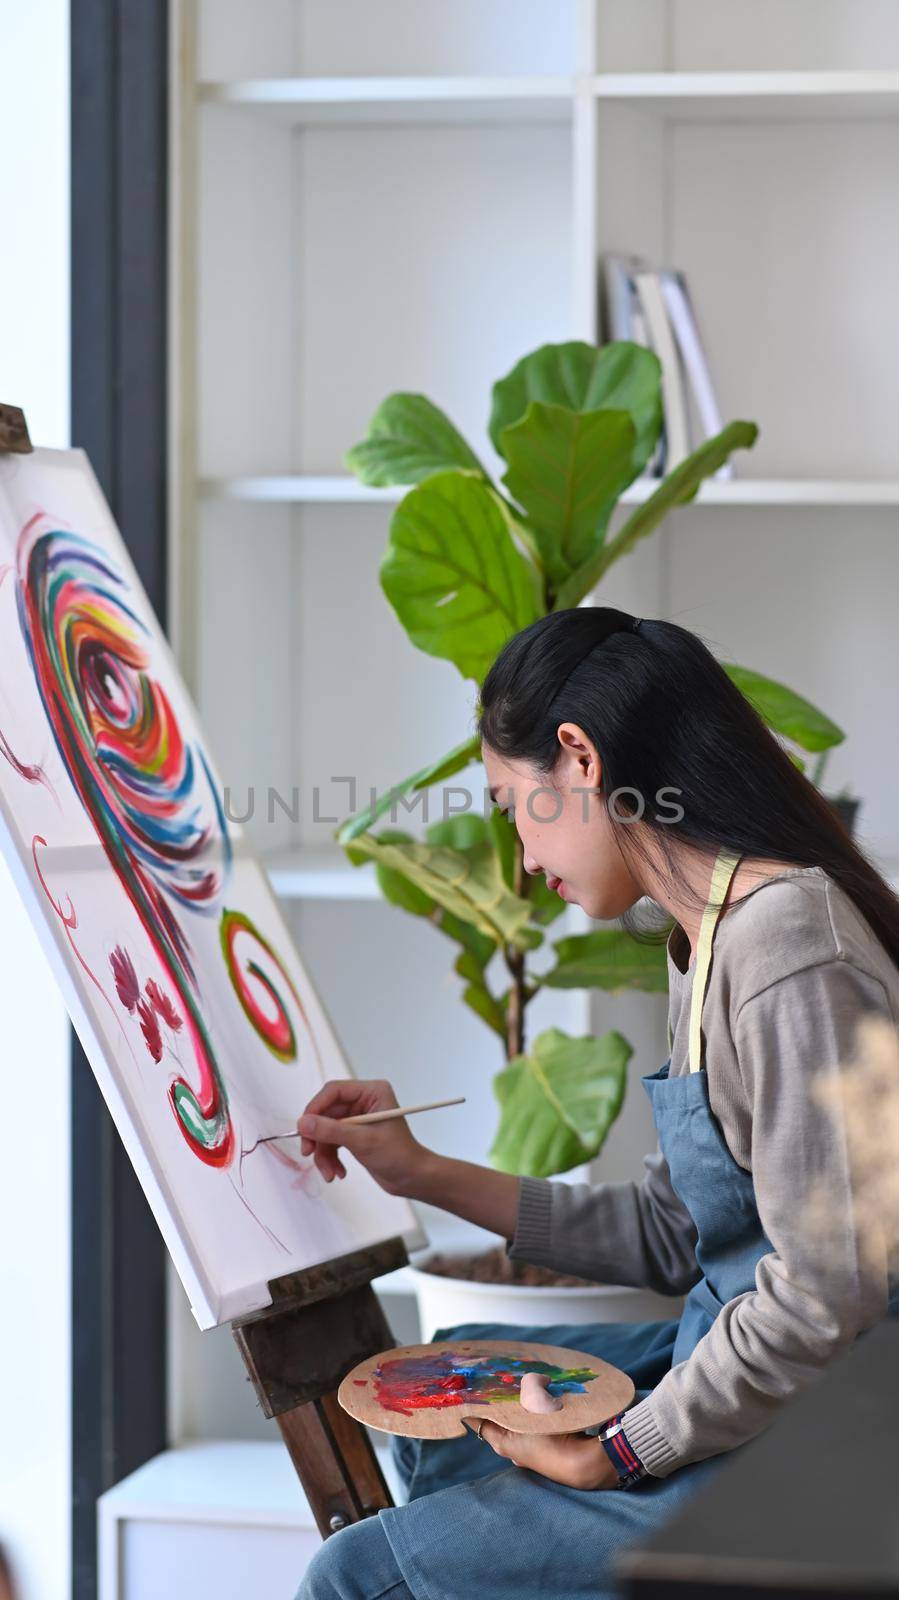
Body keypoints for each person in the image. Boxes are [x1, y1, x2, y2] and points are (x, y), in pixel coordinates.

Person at [294, 607, 899, 1600]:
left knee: (355, 1575)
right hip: (754, 1367)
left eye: (511, 805)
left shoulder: (787, 945)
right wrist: (422, 1174)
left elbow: (823, 1294)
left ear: (578, 757)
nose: (521, 864)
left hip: (830, 1435)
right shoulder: (705, 938)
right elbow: (674, 1231)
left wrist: (621, 1449)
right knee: (443, 1379)